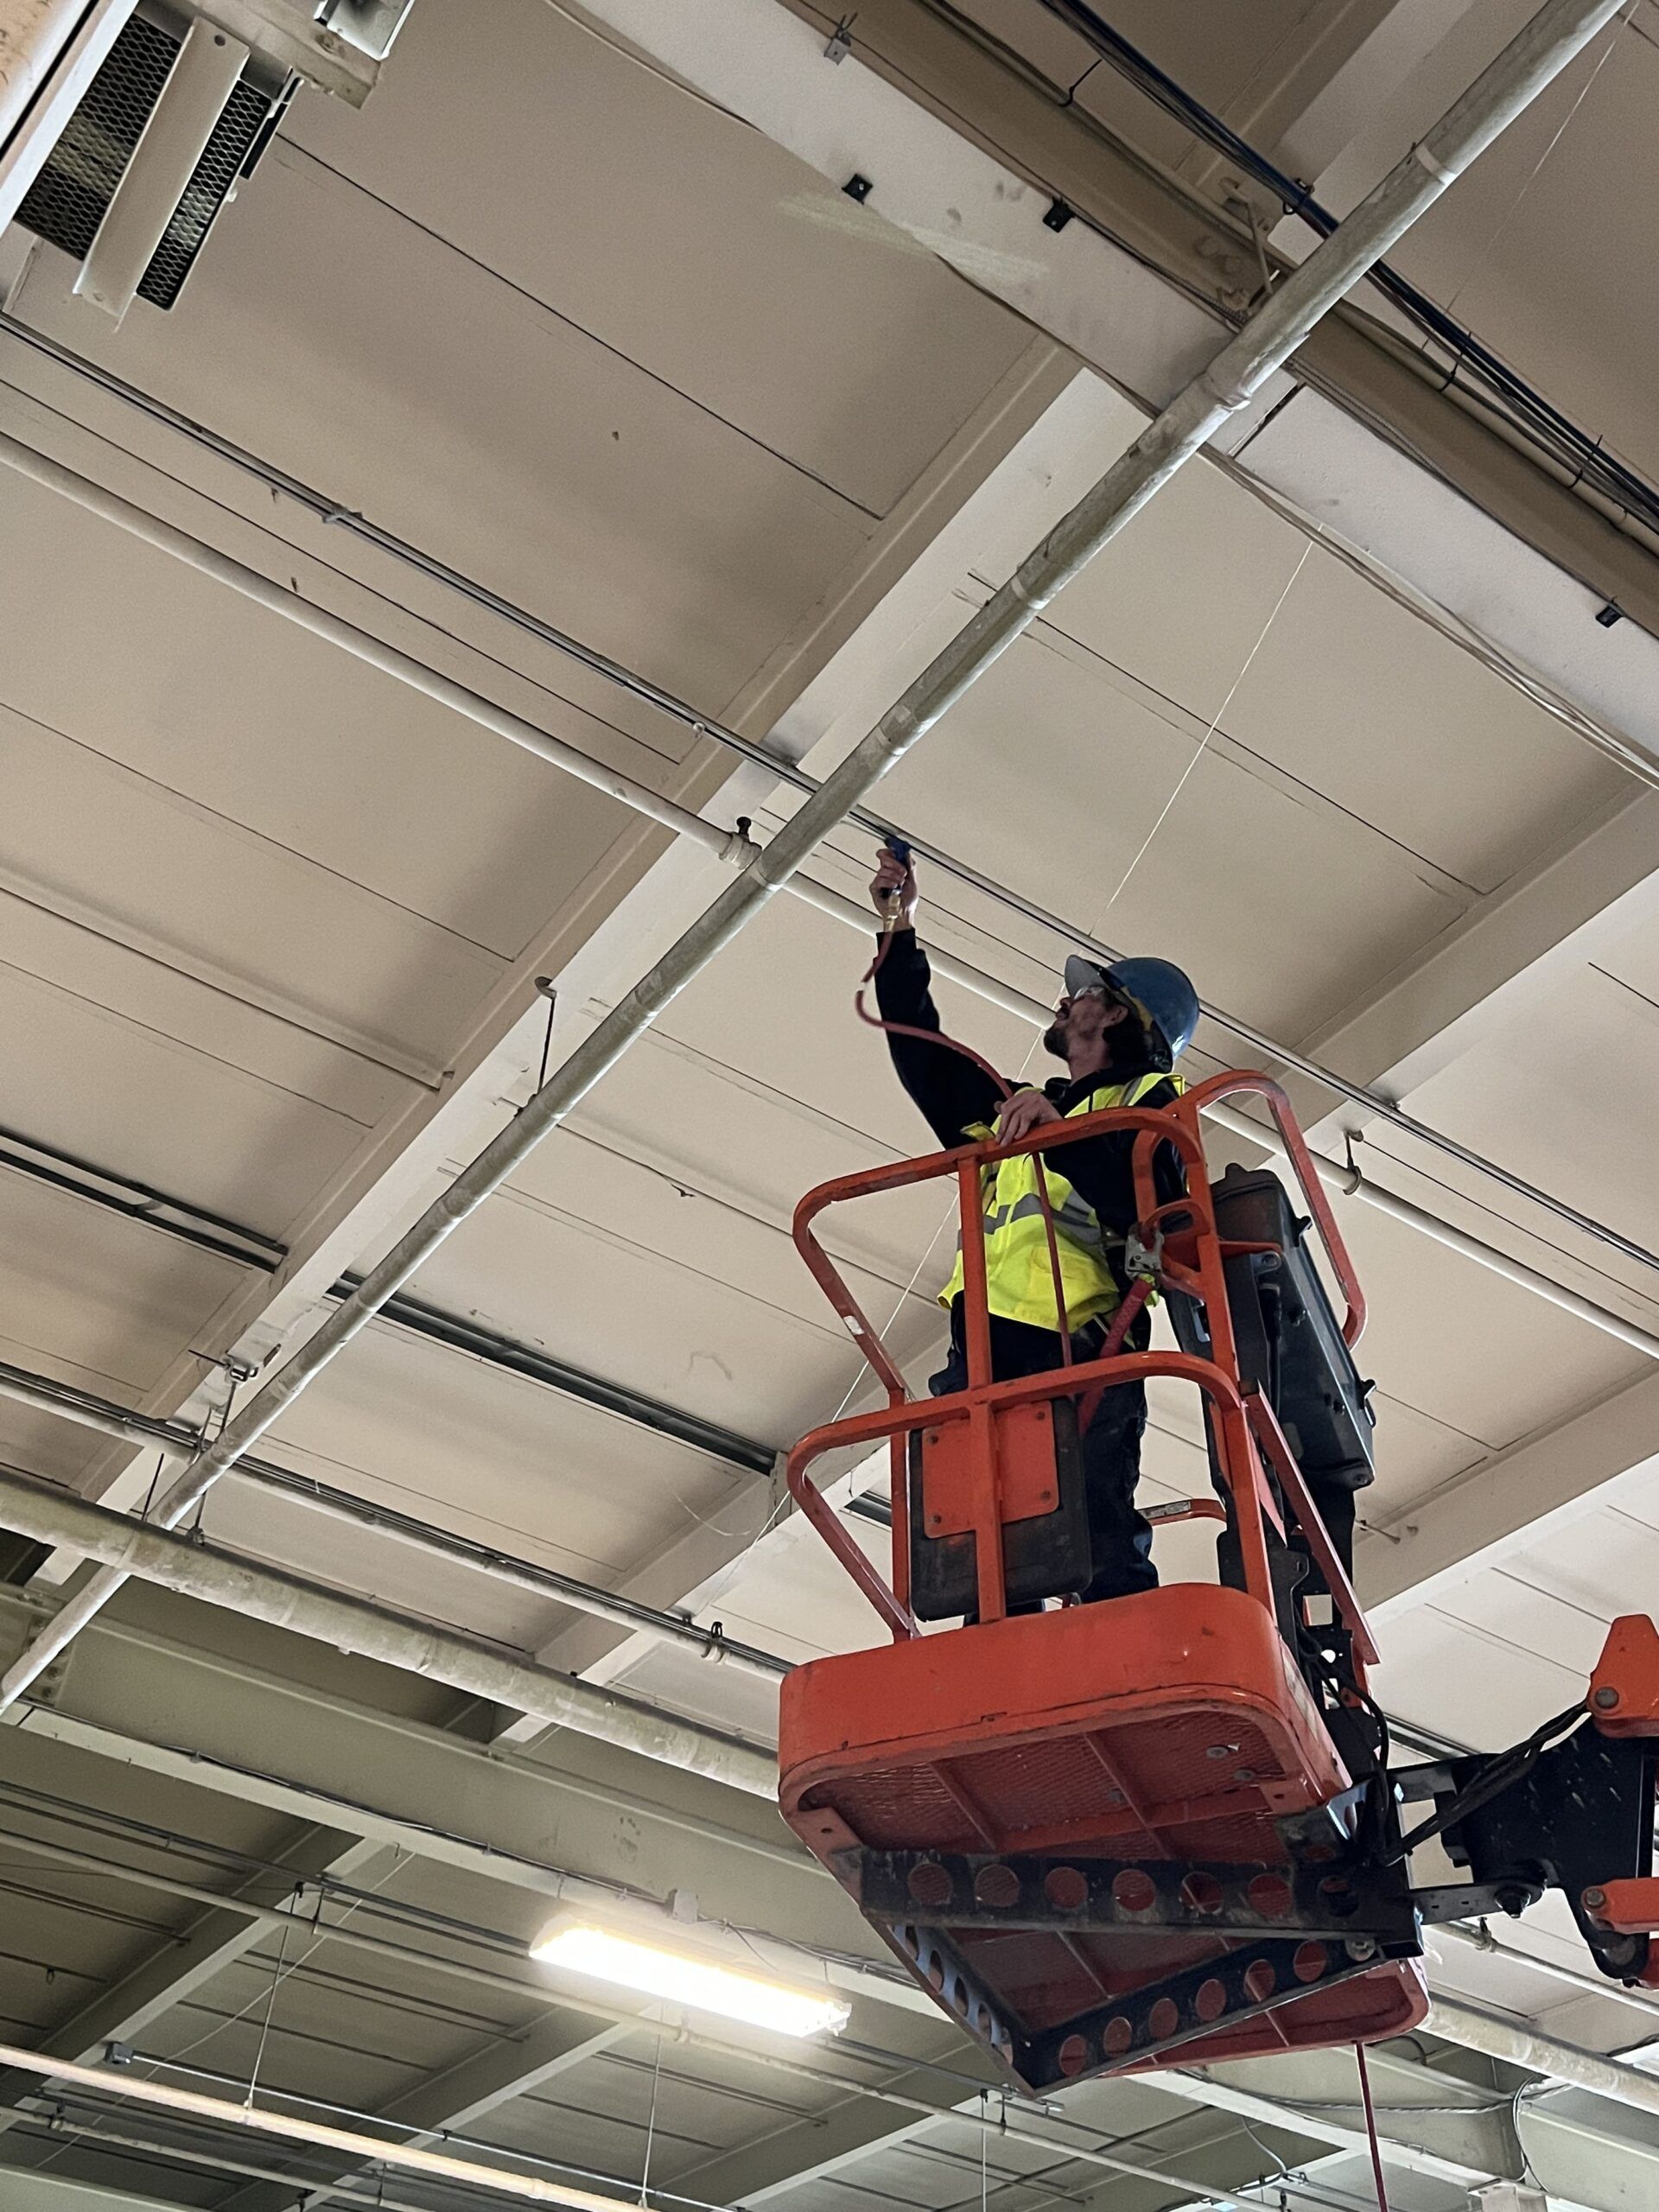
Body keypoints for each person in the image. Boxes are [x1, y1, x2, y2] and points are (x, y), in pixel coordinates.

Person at [868, 845, 1199, 1605]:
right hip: (983, 1342)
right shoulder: (1015, 1107)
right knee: (980, 1538)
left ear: (1117, 1013)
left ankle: (1129, 1656)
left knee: (1096, 1533)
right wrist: (899, 927)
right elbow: (923, 1050)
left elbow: (1147, 1204)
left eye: (1081, 995)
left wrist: (1062, 1133)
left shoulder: (1153, 1105)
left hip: (1080, 1343)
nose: (1063, 1003)